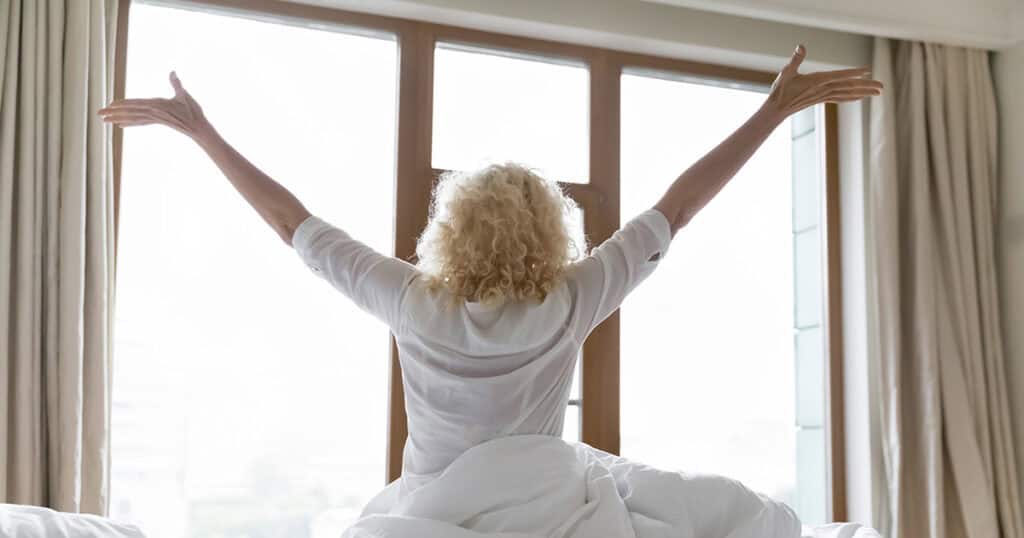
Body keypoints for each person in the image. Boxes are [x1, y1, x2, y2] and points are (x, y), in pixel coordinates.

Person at [99, 44, 882, 537]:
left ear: (451, 228)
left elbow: (291, 223)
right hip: (548, 504)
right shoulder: (572, 296)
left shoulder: (409, 299)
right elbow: (679, 206)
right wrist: (772, 110)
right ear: (552, 232)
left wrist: (201, 132)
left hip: (433, 507)